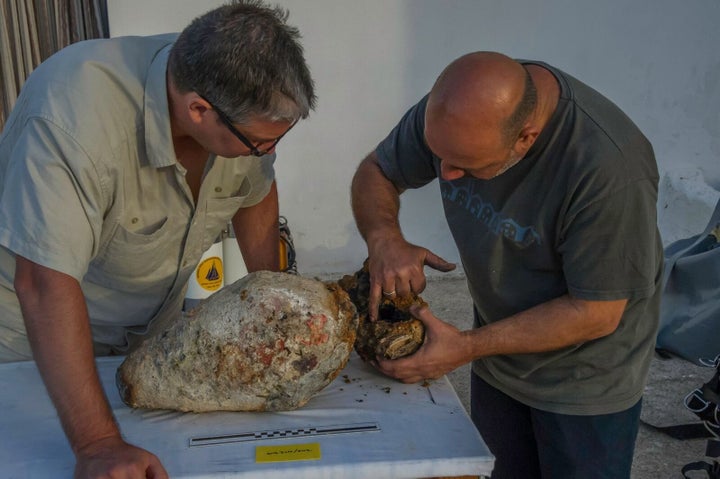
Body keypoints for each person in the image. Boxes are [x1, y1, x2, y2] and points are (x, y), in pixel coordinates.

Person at [0, 1, 315, 477]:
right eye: (260, 143)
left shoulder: (223, 88)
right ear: (198, 110)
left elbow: (255, 191)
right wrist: (98, 442)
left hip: (147, 335)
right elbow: (42, 284)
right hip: (32, 345)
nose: (268, 152)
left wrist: (273, 299)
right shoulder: (71, 117)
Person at [351, 51, 662, 478]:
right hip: (499, 359)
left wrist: (466, 347)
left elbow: (597, 312)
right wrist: (385, 237)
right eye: (439, 158)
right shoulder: (462, 107)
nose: (446, 174)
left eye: (464, 166)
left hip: (584, 382)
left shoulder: (608, 171)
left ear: (525, 139)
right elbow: (378, 169)